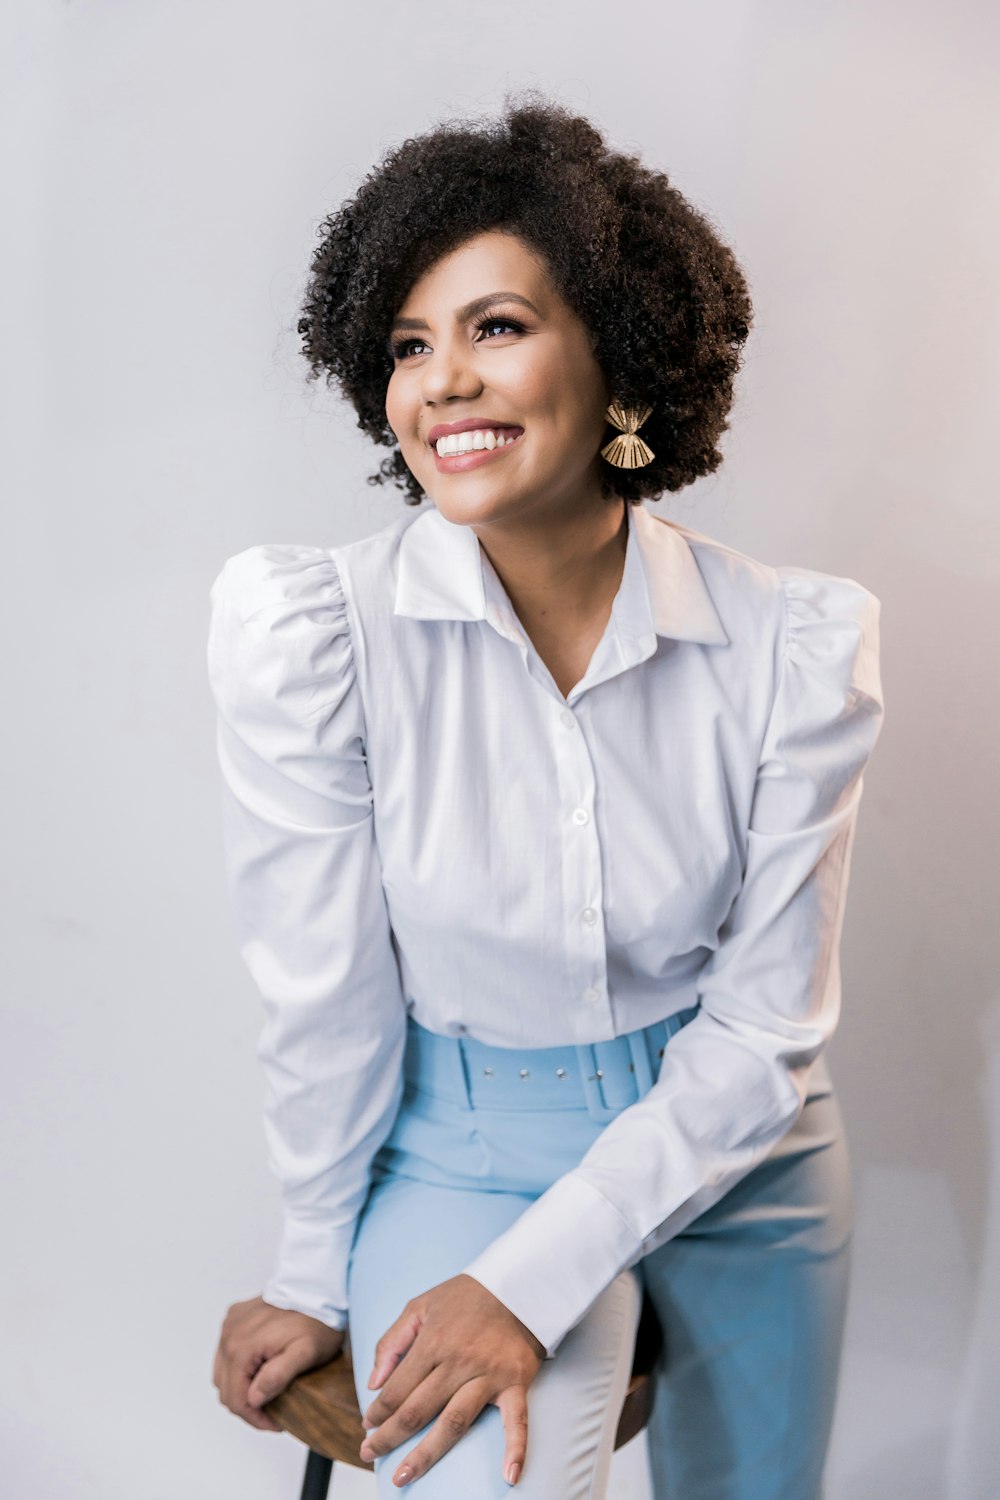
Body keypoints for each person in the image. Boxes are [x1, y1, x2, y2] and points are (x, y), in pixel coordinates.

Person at [208, 92, 886, 1499]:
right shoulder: (317, 635)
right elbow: (323, 991)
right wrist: (310, 1273)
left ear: (623, 361)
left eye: (496, 327)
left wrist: (537, 1281)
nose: (441, 379)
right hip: (464, 1154)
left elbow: (763, 1029)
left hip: (747, 1159)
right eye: (408, 344)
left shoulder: (795, 648)